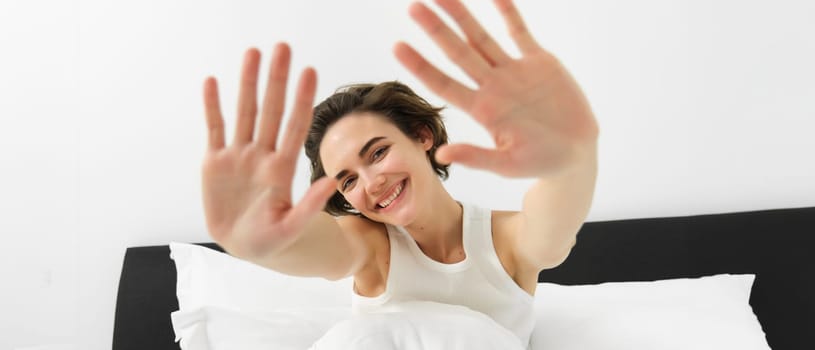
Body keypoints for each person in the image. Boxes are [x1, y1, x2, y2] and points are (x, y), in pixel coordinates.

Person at [199, 0, 598, 344]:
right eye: (348, 180)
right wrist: (256, 243)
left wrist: (575, 155)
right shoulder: (370, 245)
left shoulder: (505, 241)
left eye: (377, 153)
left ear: (422, 136)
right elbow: (321, 250)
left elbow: (553, 228)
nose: (371, 183)